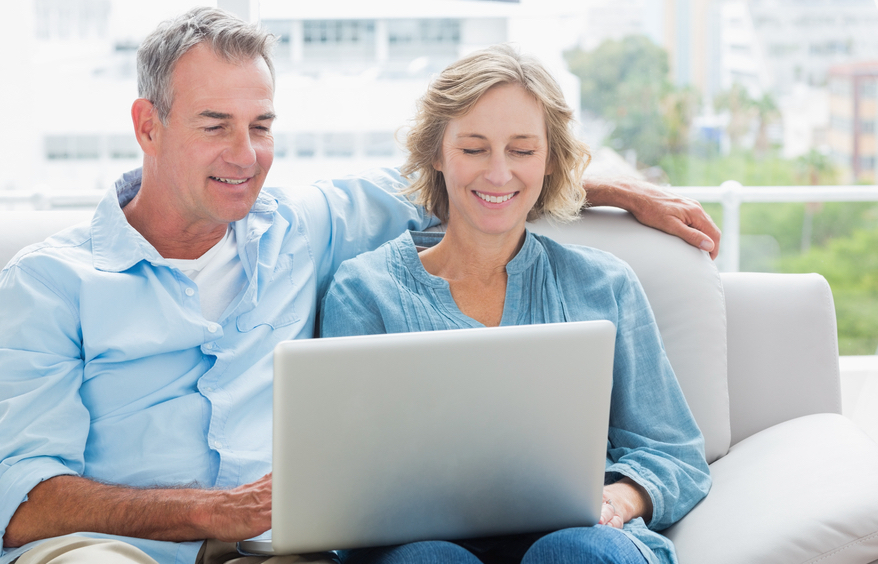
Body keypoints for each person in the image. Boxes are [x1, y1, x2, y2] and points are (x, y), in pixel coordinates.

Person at [0, 8, 718, 564]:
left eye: (261, 126)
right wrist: (206, 511)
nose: (245, 156)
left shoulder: (297, 228)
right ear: (146, 125)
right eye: (215, 125)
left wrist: (614, 191)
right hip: (118, 547)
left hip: (275, 550)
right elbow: (20, 504)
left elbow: (478, 184)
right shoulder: (50, 284)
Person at [318, 45, 711, 564]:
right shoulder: (365, 292)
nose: (499, 174)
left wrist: (619, 497)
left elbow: (675, 453)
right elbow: (344, 478)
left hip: (579, 537)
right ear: (437, 152)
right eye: (474, 148)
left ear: (549, 159)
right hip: (420, 547)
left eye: (523, 150)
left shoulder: (604, 285)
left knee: (577, 552)